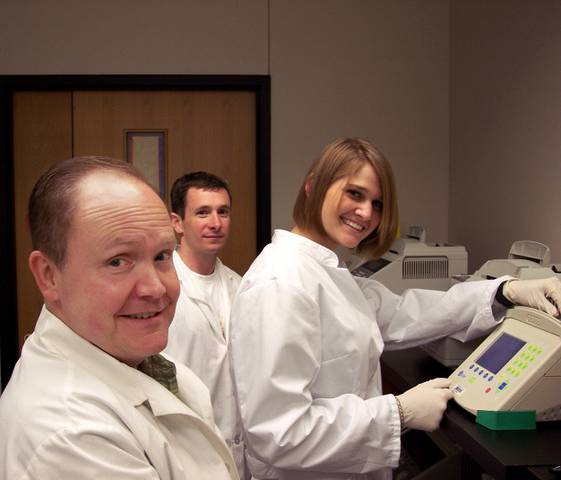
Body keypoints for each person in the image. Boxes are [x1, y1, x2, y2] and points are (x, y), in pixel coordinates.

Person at [229, 138, 561, 480]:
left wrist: (504, 290)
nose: (367, 214)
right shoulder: (280, 283)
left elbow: (408, 312)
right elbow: (278, 433)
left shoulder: (326, 272)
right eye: (355, 194)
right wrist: (397, 413)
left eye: (378, 203)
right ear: (313, 185)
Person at [0, 156, 239, 480]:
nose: (156, 288)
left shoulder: (136, 359)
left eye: (161, 256)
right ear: (49, 276)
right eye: (117, 262)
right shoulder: (72, 434)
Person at [162, 171, 248, 479]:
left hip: (239, 449)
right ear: (176, 222)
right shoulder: (158, 290)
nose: (215, 223)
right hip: (182, 448)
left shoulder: (242, 287)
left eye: (222, 212)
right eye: (202, 212)